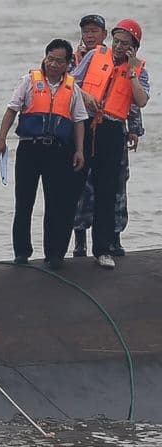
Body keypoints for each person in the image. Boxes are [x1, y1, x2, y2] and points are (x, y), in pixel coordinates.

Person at [0, 39, 87, 269]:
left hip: (57, 151)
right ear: (45, 58)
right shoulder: (29, 81)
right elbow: (11, 111)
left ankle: (53, 253)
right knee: (24, 202)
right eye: (50, 59)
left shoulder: (72, 87)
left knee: (54, 204)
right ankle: (21, 252)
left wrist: (80, 151)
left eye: (59, 61)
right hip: (29, 149)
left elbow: (79, 121)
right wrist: (1, 139)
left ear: (68, 63)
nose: (53, 64)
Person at [72, 18, 150, 270]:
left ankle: (103, 248)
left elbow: (141, 101)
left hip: (113, 130)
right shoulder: (95, 55)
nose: (118, 47)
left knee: (108, 191)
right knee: (76, 185)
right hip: (86, 125)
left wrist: (132, 70)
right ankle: (72, 243)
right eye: (116, 41)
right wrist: (85, 95)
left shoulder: (138, 69)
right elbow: (71, 81)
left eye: (125, 44)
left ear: (134, 47)